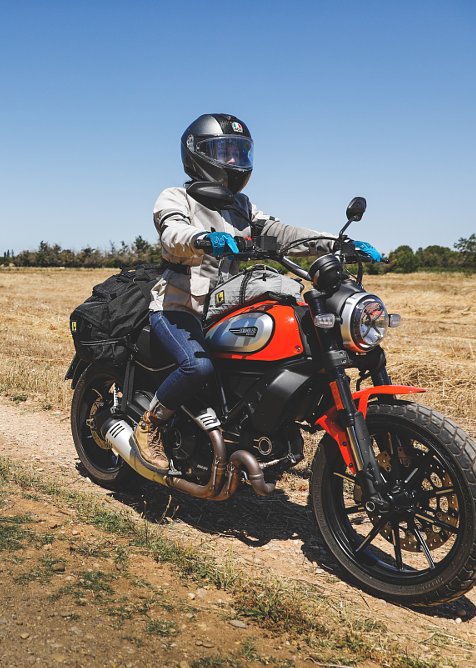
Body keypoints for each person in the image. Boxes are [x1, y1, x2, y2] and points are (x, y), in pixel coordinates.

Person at [131, 113, 382, 472]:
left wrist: (338, 243)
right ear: (198, 155)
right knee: (197, 366)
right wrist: (202, 239)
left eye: (239, 152)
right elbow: (172, 233)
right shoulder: (176, 197)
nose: (234, 161)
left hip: (227, 306)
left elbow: (282, 232)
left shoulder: (241, 206)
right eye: (224, 151)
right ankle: (149, 425)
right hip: (178, 306)